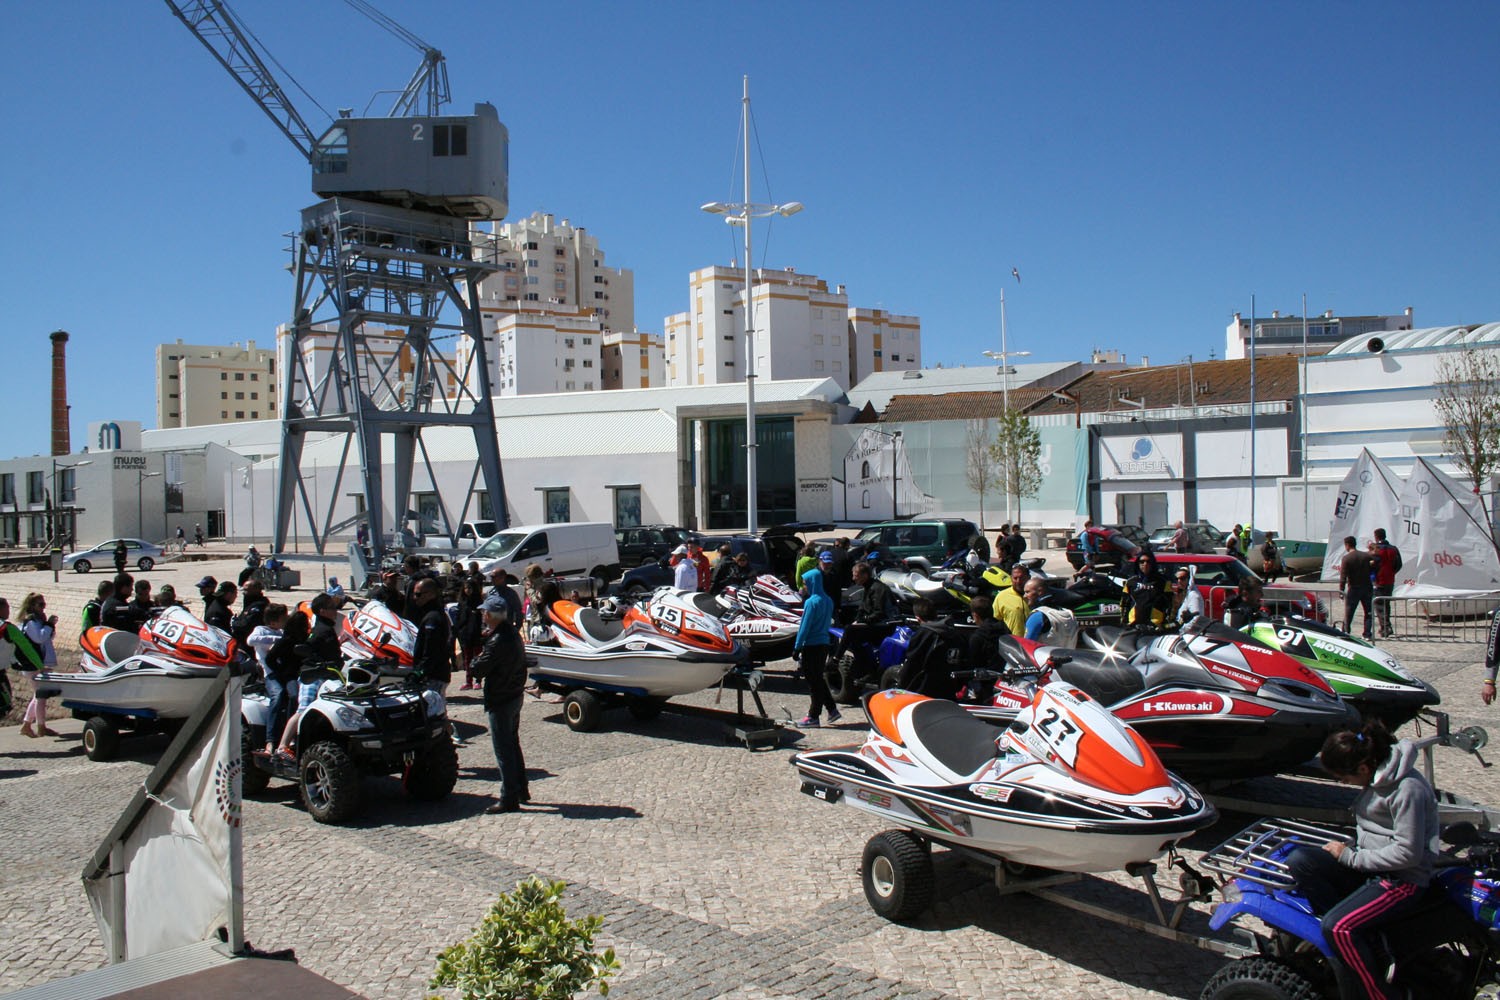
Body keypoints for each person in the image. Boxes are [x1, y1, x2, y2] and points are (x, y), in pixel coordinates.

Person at [1284, 720, 1438, 1000]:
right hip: (1371, 867)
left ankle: (1378, 994)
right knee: (1301, 860)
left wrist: (1351, 857)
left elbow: (1408, 853)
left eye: (1344, 779)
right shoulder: (1376, 779)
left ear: (1364, 768)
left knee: (1338, 927)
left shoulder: (1407, 790)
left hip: (1401, 880)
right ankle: (1363, 941)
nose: (1345, 784)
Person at [470, 593, 530, 814]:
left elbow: (478, 669)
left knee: (503, 749)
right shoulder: (512, 633)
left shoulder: (496, 641)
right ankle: (521, 788)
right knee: (512, 744)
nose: (482, 615)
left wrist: (476, 657)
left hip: (501, 697)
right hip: (514, 694)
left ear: (490, 615)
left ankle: (509, 797)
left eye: (484, 612)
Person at [790, 565, 839, 728]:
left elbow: (805, 626)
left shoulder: (811, 602)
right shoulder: (828, 600)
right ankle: (832, 709)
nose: (804, 586)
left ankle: (813, 716)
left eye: (805, 583)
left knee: (813, 682)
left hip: (811, 645)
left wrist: (797, 647)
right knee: (818, 678)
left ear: (812, 582)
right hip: (824, 643)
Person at [246, 603, 289, 755]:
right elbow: (250, 641)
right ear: (273, 622)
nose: (286, 620)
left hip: (285, 672)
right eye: (284, 618)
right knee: (278, 695)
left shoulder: (283, 631)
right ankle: (270, 741)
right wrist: (278, 639)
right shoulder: (261, 630)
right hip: (270, 672)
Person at [18, 593, 59, 738]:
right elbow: (39, 638)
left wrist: (50, 626)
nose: (43, 607)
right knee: (41, 695)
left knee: (38, 695)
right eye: (40, 605)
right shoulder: (30, 622)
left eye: (44, 604)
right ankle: (40, 726)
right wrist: (48, 625)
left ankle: (27, 725)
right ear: (32, 606)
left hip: (40, 662)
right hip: (34, 664)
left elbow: (48, 637)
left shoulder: (39, 620)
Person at [410, 578, 454, 700]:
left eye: (418, 594)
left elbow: (431, 650)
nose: (414, 597)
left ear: (430, 594)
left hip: (434, 676)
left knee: (432, 708)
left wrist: (420, 672)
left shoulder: (433, 618)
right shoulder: (432, 614)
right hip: (435, 673)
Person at [1022, 578, 1079, 646]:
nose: (1024, 596)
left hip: (1046, 653)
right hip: (1069, 652)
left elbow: (1027, 645)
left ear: (1040, 591)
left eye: (1027, 592)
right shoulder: (1069, 614)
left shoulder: (1037, 616)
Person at [1339, 535, 1375, 640]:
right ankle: (1367, 633)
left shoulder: (1347, 558)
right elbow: (1374, 567)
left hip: (1354, 588)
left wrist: (1341, 590)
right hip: (1367, 587)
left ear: (1347, 545)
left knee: (1349, 612)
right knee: (1368, 612)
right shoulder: (1366, 556)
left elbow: (1343, 577)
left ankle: (1346, 631)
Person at [1123, 552, 1171, 629]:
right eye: (1142, 561)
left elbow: (1169, 604)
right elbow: (1124, 603)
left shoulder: (1163, 581)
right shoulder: (1130, 581)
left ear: (1153, 563)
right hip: (1134, 625)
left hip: (1155, 626)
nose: (1145, 564)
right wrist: (1124, 621)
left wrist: (1165, 623)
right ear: (1138, 564)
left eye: (1148, 561)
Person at [453, 576, 485, 690]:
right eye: (466, 588)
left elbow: (482, 619)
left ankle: (478, 680)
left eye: (470, 588)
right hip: (465, 635)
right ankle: (468, 681)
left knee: (478, 658)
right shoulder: (462, 602)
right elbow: (459, 618)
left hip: (477, 635)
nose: (468, 590)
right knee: (467, 659)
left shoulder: (479, 603)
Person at [1371, 528, 1403, 638]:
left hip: (1378, 581)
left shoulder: (1375, 549)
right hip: (1390, 580)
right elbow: (1399, 564)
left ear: (1376, 537)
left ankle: (1386, 627)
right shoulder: (1393, 549)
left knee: (1379, 605)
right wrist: (1392, 572)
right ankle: (1385, 626)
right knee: (1386, 604)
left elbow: (1371, 565)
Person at [992, 564, 1029, 636]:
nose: (1018, 581)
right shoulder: (1001, 596)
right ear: (1011, 578)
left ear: (1028, 578)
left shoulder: (1035, 595)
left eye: (1022, 578)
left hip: (1033, 642)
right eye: (1015, 578)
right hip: (1012, 641)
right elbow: (995, 620)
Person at [232, 580, 268, 645]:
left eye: (246, 590)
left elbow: (246, 625)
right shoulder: (249, 602)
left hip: (250, 643)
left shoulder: (260, 605)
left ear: (256, 590)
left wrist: (233, 623)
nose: (243, 593)